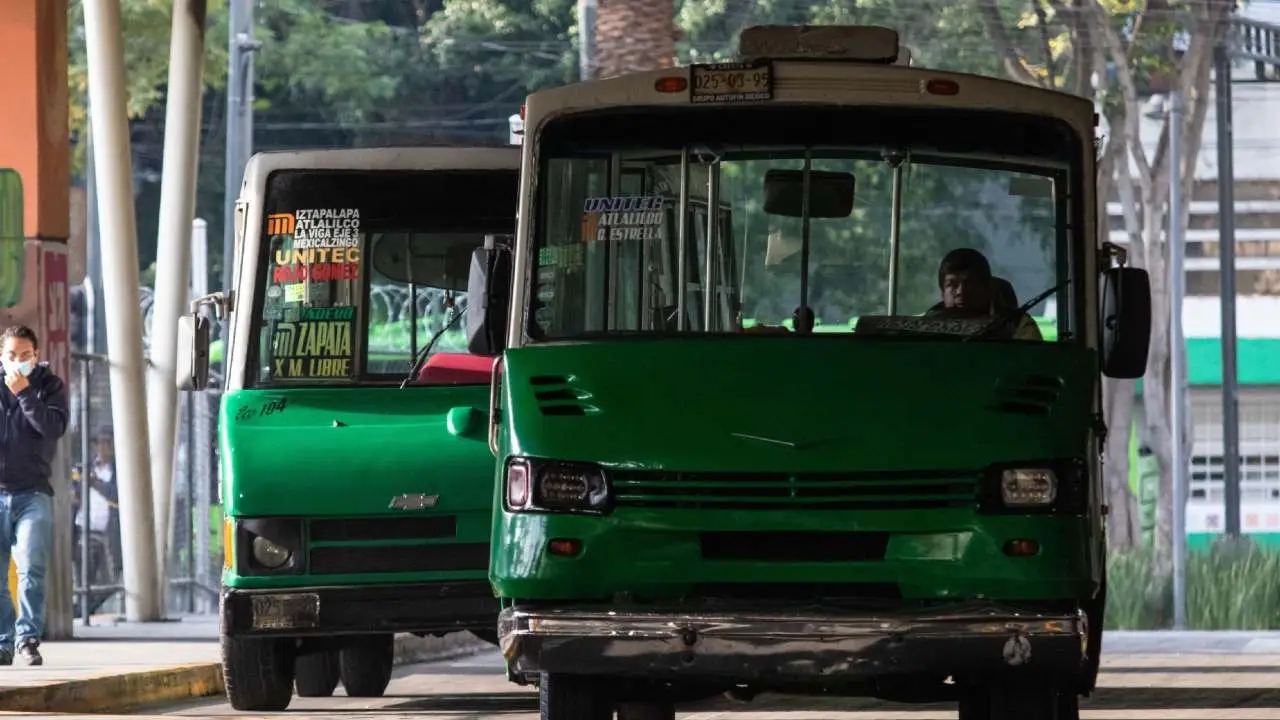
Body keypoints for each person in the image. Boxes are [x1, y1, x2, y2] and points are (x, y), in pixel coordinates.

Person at [0, 325, 69, 666]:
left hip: (33, 493)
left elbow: (53, 428)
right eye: (11, 356)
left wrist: (25, 393)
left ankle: (27, 639)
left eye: (24, 356)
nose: (17, 362)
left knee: (31, 567)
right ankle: (2, 642)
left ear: (36, 356)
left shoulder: (49, 386)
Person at [932, 248, 1042, 341]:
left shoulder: (1017, 325)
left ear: (987, 288)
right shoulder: (928, 324)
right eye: (952, 285)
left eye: (970, 283)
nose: (961, 291)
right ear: (942, 292)